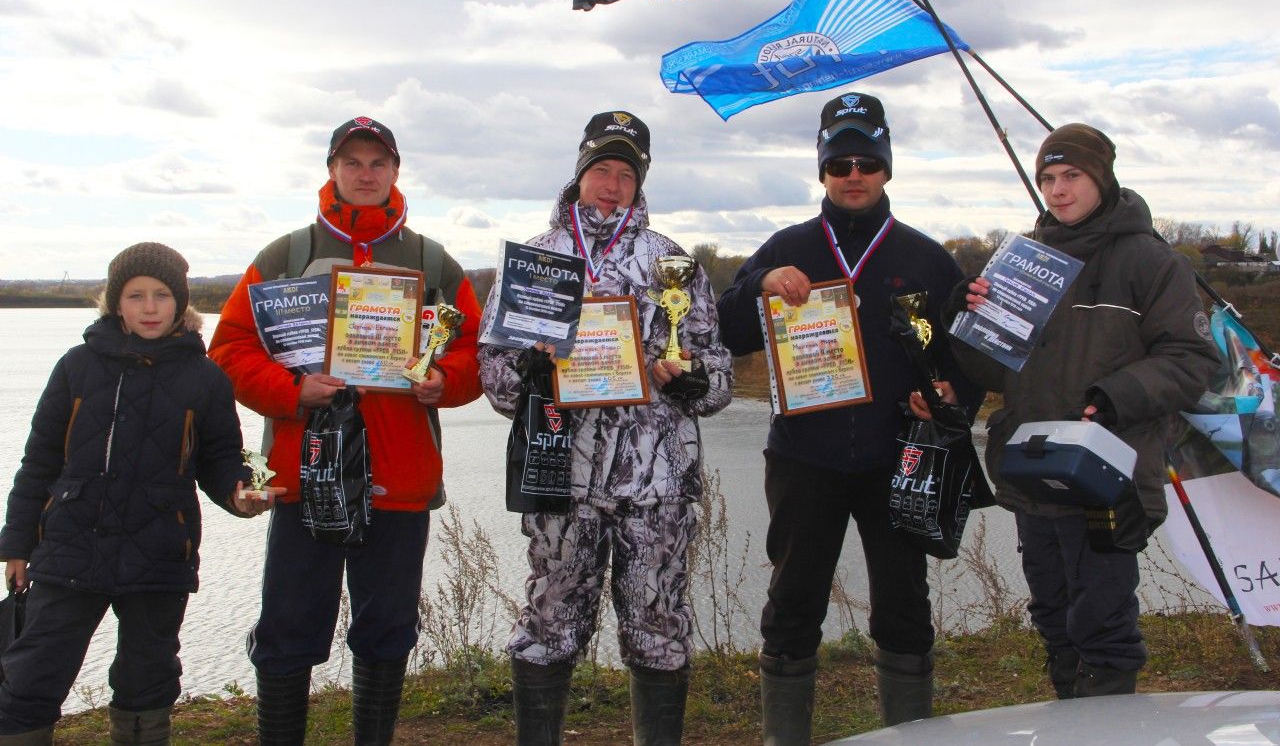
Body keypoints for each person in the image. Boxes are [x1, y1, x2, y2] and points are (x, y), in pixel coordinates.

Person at [208, 117, 482, 744]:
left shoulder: (431, 260)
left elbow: (474, 353)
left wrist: (444, 381)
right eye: (352, 162)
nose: (365, 174)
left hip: (400, 477)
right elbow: (228, 352)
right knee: (287, 629)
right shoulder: (283, 257)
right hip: (306, 476)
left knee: (387, 630)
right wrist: (290, 390)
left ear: (394, 173)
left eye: (377, 163)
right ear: (332, 170)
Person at [716, 92, 979, 740]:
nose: (853, 174)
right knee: (794, 603)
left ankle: (910, 733)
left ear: (886, 167)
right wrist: (758, 287)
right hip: (806, 457)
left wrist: (949, 403)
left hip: (899, 457)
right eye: (840, 164)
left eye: (866, 161)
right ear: (822, 172)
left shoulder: (925, 258)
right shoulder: (789, 246)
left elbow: (962, 364)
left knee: (904, 609)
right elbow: (722, 329)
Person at [935, 123, 1218, 698]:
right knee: (1054, 617)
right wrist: (961, 323)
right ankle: (1071, 713)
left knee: (1103, 623)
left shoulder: (1150, 259)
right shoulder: (1020, 260)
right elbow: (992, 374)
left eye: (1071, 177)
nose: (1057, 191)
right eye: (1047, 179)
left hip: (1108, 474)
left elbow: (1193, 360)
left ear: (1102, 178)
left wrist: (1118, 395)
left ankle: (1108, 724)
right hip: (1033, 468)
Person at [478, 111, 733, 745]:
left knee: (658, 627)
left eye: (626, 172)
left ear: (640, 181)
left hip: (658, 484)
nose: (612, 184)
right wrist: (534, 373)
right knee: (549, 624)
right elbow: (495, 376)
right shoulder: (535, 262)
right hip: (560, 475)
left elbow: (719, 369)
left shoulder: (674, 262)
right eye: (601, 169)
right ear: (580, 172)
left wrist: (697, 380)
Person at [0, 242, 280, 745]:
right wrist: (16, 544)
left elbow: (221, 460)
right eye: (135, 296)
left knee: (147, 679)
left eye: (161, 295)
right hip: (68, 549)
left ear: (180, 303)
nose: (150, 308)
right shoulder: (76, 367)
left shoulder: (206, 378)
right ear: (115, 302)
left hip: (159, 552)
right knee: (32, 675)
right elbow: (38, 462)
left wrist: (241, 494)